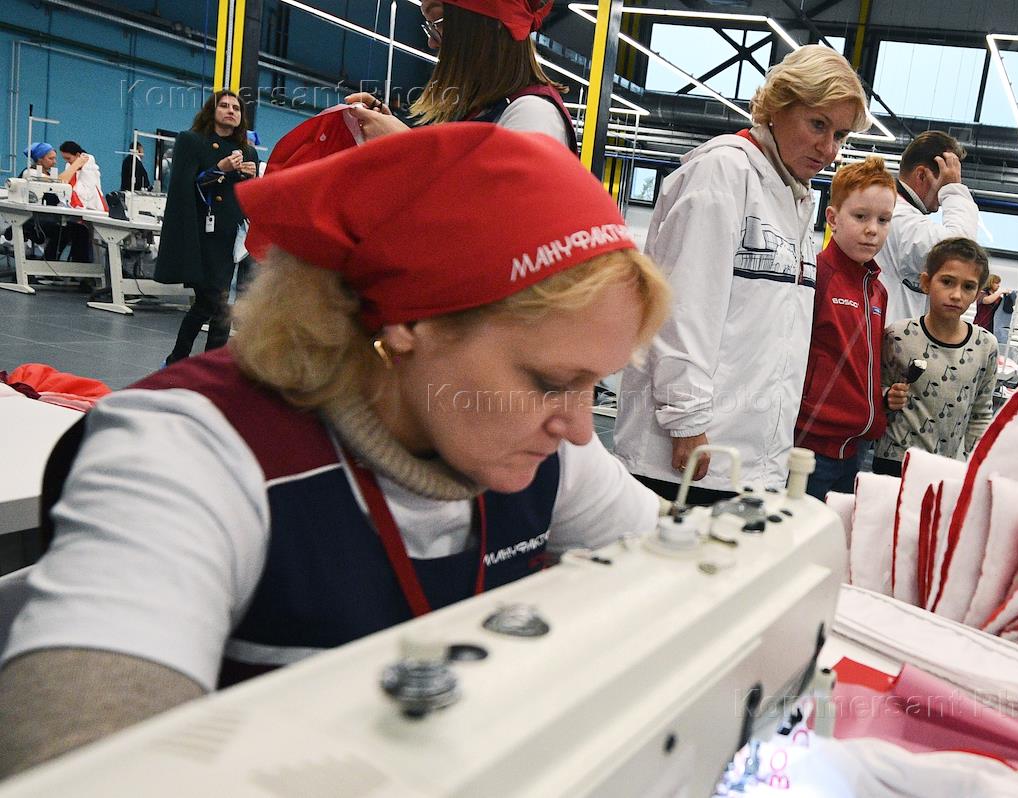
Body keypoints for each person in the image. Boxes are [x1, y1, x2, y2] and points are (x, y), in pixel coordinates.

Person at [0, 124, 670, 774]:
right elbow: (84, 753)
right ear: (412, 322)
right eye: (553, 383)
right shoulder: (188, 453)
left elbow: (679, 568)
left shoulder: (547, 450)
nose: (582, 428)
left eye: (592, 386)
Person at [613, 45, 870, 504]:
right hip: (688, 458)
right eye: (818, 124)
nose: (828, 148)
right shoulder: (722, 174)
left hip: (749, 461)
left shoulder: (794, 198)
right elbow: (682, 307)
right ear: (776, 107)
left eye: (840, 135)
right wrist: (687, 422)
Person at [793, 156, 906, 499]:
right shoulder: (815, 275)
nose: (873, 229)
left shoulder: (877, 290)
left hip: (854, 451)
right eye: (861, 217)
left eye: (883, 220)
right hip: (809, 446)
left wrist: (879, 399)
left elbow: (857, 364)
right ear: (832, 218)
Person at [343, 0, 574, 148]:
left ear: (484, 24)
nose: (432, 41)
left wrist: (405, 149)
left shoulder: (533, 116)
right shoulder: (482, 113)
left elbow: (488, 216)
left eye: (438, 22)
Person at [873, 238, 998, 477]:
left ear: (977, 295)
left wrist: (975, 467)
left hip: (950, 470)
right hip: (894, 462)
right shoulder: (897, 336)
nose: (956, 295)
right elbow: (872, 391)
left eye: (968, 287)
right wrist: (887, 396)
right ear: (926, 282)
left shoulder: (986, 346)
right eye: (947, 282)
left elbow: (981, 414)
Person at [155, 90, 260, 365]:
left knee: (211, 304)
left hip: (229, 236)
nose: (231, 111)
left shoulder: (247, 151)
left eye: (236, 108)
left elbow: (248, 197)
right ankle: (199, 364)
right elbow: (186, 186)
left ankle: (180, 360)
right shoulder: (192, 141)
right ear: (211, 111)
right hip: (199, 234)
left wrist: (250, 177)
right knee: (217, 302)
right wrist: (220, 169)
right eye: (224, 106)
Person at [876, 131, 979, 325]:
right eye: (948, 177)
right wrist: (953, 191)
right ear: (922, 175)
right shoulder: (898, 216)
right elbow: (962, 253)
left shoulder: (899, 212)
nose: (942, 197)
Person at [58, 141, 107, 213]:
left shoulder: (89, 166)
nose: (67, 161)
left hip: (92, 207)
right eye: (64, 159)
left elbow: (86, 194)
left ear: (78, 155)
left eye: (68, 158)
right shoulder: (69, 165)